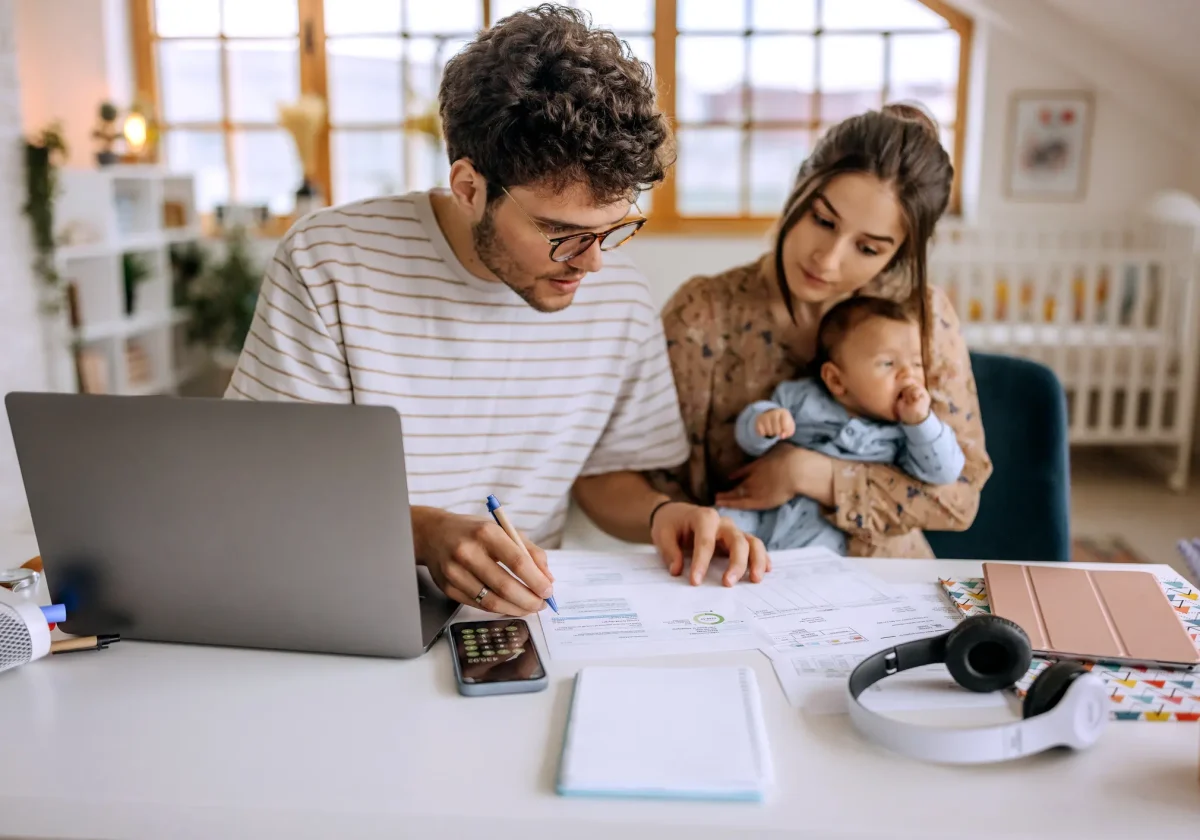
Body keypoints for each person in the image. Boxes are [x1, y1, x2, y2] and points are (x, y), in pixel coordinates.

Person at [223, 4, 766, 617]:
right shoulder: (332, 261)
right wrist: (424, 534)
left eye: (614, 229)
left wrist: (666, 515)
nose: (592, 265)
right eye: (562, 233)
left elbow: (604, 476)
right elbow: (268, 487)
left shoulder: (619, 296)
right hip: (349, 600)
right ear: (468, 187)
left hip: (524, 617)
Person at [653, 103, 993, 559]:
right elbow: (650, 484)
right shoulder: (702, 314)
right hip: (736, 576)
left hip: (887, 587)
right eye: (823, 221)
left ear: (898, 254)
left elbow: (959, 497)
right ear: (798, 187)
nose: (828, 259)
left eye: (868, 248)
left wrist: (808, 473)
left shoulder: (922, 316)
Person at [717, 295, 966, 554]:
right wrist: (763, 422)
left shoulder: (905, 434)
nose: (909, 374)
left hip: (824, 527)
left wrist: (921, 422)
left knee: (818, 560)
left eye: (917, 363)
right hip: (764, 511)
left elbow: (944, 472)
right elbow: (748, 442)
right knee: (721, 523)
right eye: (888, 363)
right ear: (836, 380)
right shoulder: (802, 397)